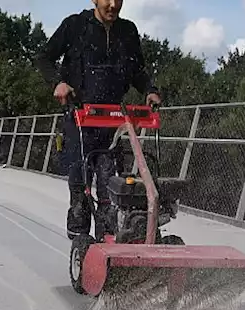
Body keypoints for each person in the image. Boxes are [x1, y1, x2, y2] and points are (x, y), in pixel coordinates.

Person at [34, 0, 163, 240]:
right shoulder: (75, 26)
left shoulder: (128, 32)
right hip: (80, 119)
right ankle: (80, 250)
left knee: (110, 190)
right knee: (80, 192)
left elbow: (137, 71)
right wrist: (58, 83)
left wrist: (149, 90)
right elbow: (43, 58)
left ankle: (107, 246)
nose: (113, 4)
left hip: (113, 123)